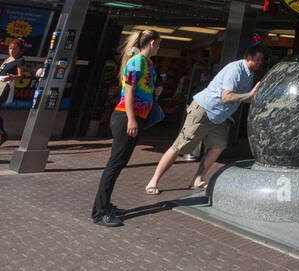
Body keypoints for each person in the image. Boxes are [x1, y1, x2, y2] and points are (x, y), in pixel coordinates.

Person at [145, 45, 265, 194]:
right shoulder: (236, 70)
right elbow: (226, 97)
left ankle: (197, 179)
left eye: (261, 60)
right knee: (179, 146)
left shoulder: (249, 74)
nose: (260, 62)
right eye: (258, 59)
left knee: (218, 146)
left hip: (220, 116)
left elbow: (242, 97)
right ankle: (153, 181)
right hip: (204, 110)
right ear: (248, 57)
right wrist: (248, 95)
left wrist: (256, 97)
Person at [92, 29, 162, 227]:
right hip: (125, 117)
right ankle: (100, 212)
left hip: (136, 118)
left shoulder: (148, 63)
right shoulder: (137, 61)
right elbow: (129, 91)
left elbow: (142, 89)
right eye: (158, 43)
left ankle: (105, 204)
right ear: (152, 43)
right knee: (114, 164)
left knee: (120, 163)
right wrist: (131, 119)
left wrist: (155, 92)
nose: (159, 47)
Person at [0, 40, 24, 146]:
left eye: (14, 48)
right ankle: (2, 133)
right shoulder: (8, 58)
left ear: (20, 49)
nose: (12, 50)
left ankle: (2, 133)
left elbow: (20, 75)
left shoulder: (20, 60)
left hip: (6, 85)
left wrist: (12, 77)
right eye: (10, 48)